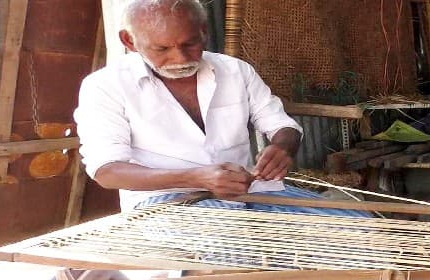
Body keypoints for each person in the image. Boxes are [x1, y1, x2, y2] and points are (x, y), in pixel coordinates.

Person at [73, 0, 368, 219]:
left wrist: (284, 147)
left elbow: (281, 125)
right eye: (161, 49)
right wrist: (197, 177)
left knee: (360, 226)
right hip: (164, 204)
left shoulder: (235, 71)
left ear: (204, 32)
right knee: (258, 248)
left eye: (189, 44)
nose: (179, 58)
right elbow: (107, 171)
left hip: (249, 192)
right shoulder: (105, 86)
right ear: (130, 41)